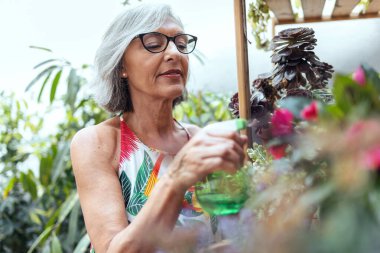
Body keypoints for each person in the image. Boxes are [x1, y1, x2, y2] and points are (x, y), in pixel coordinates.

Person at [70, 3, 247, 253]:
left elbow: (229, 234)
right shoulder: (98, 143)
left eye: (182, 45)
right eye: (154, 44)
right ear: (121, 66)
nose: (174, 53)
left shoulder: (197, 138)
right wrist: (176, 178)